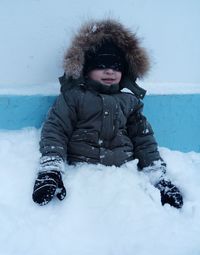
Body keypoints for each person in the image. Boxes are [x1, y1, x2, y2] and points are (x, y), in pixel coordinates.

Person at [32, 19, 183, 208]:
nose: (110, 71)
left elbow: (143, 139)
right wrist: (51, 169)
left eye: (116, 67)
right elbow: (56, 130)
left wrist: (157, 176)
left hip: (122, 177)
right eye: (101, 65)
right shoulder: (74, 97)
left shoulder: (130, 102)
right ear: (86, 69)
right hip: (82, 171)